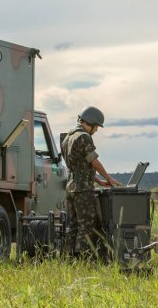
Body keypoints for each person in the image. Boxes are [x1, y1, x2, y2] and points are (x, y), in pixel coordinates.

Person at [61, 105, 121, 259]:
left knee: (73, 225)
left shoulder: (67, 137)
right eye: (96, 127)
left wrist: (99, 181)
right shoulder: (83, 137)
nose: (96, 131)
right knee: (87, 225)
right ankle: (84, 258)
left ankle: (70, 258)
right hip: (83, 189)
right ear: (91, 123)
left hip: (70, 188)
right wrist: (109, 179)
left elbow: (79, 166)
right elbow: (94, 162)